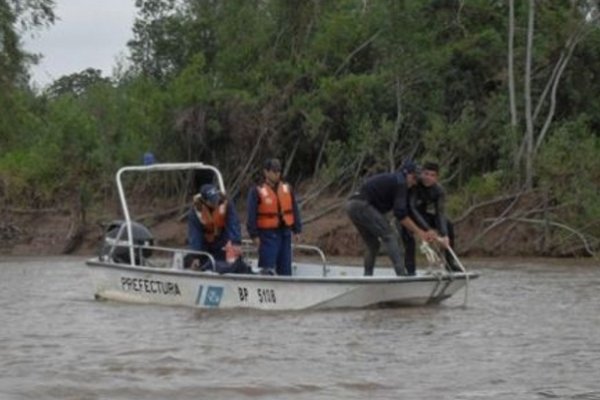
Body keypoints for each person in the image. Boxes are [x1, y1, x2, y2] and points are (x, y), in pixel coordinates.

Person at [345, 160, 437, 276]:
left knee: (373, 244)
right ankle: (401, 275)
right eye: (414, 178)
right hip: (361, 205)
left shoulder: (396, 179)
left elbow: (401, 212)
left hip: (351, 205)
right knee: (389, 236)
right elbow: (401, 215)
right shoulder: (401, 182)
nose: (414, 182)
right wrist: (420, 232)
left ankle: (367, 277)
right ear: (407, 174)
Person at [401, 161, 459, 274]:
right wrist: (428, 229)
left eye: (432, 175)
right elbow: (412, 208)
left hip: (422, 215)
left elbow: (440, 213)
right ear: (421, 173)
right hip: (407, 216)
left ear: (437, 177)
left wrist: (444, 234)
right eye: (426, 174)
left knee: (448, 225)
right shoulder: (415, 184)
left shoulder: (439, 191)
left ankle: (450, 263)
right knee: (408, 235)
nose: (428, 178)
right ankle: (410, 271)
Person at [246, 158, 302, 276]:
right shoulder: (257, 190)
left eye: (278, 171)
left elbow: (294, 209)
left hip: (285, 233)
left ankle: (285, 290)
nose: (277, 174)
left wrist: (297, 230)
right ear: (266, 172)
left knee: (286, 268)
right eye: (274, 171)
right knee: (267, 268)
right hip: (267, 235)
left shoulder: (287, 188)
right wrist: (254, 235)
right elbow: (251, 214)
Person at [186, 183, 245, 273]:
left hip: (222, 240)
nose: (215, 203)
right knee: (204, 264)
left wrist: (236, 242)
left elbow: (233, 224)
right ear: (204, 201)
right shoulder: (195, 213)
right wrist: (196, 255)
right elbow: (195, 235)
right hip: (205, 242)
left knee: (232, 264)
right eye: (212, 201)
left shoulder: (226, 204)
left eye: (216, 200)